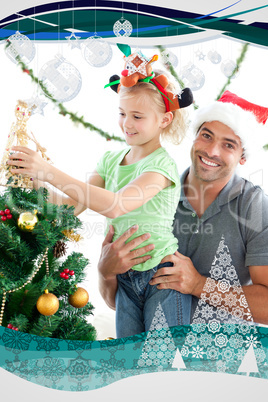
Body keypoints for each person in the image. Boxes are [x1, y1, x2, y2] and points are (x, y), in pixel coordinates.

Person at [7, 52, 194, 338]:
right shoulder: (110, 160)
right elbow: (68, 206)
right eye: (122, 113)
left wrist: (48, 171)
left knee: (161, 362)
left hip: (161, 276)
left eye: (137, 116)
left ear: (164, 119)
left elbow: (117, 206)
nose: (127, 123)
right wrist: (33, 179)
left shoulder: (162, 165)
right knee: (128, 359)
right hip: (124, 279)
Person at [97, 90, 268, 325]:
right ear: (195, 137)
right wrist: (105, 273)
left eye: (228, 145)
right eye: (206, 136)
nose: (212, 151)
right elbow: (120, 302)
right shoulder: (152, 191)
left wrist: (198, 284)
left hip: (222, 359)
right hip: (152, 356)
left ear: (242, 157)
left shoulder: (254, 206)